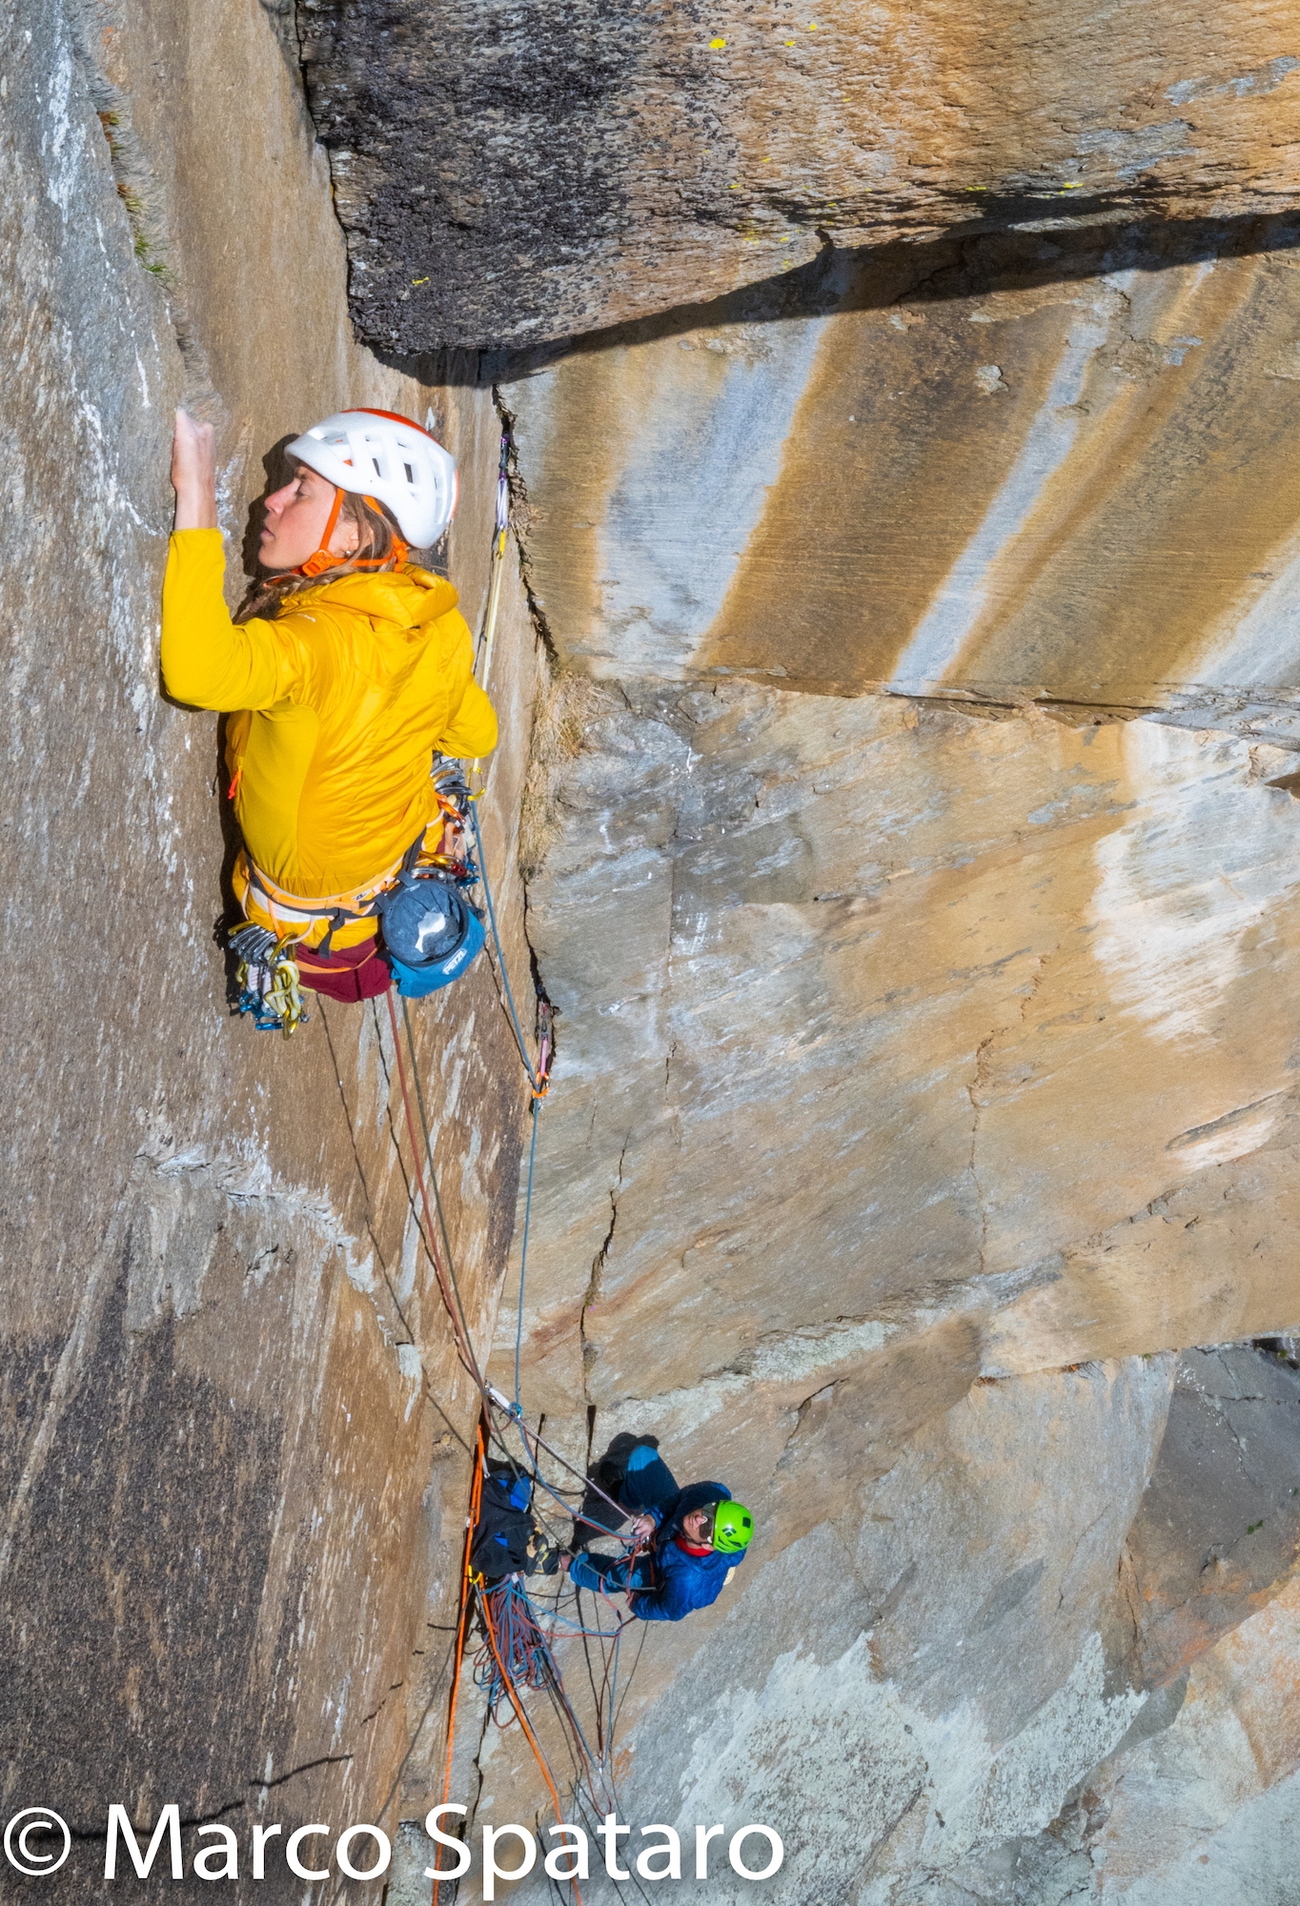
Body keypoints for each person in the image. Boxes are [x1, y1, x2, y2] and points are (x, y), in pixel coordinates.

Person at [162, 407, 497, 1008]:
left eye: (303, 489)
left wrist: (197, 497)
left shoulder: (315, 642)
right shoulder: (441, 630)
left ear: (351, 536)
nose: (273, 500)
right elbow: (477, 734)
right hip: (394, 857)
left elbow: (196, 672)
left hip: (312, 902)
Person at [564, 1436, 753, 1622]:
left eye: (707, 1527)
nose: (700, 1518)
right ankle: (624, 1496)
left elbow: (669, 1610)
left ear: (710, 1545)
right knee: (643, 1456)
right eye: (710, 1511)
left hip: (666, 1569)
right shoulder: (709, 1494)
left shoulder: (687, 1582)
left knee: (616, 1576)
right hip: (671, 1538)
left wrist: (639, 1605)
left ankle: (561, 1562)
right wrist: (652, 1519)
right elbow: (679, 1498)